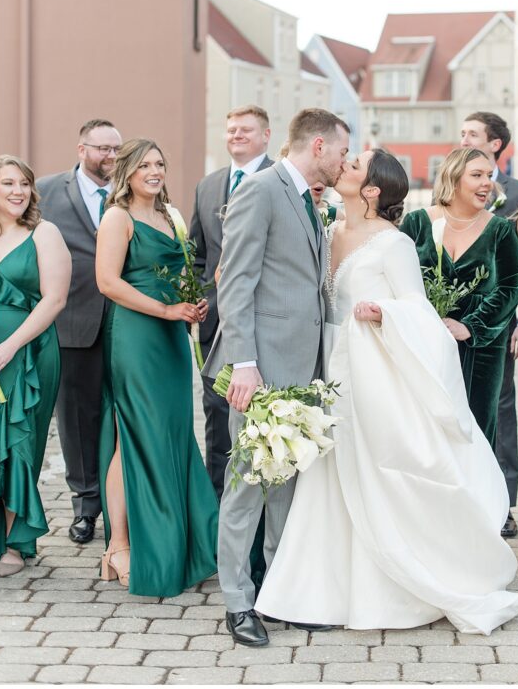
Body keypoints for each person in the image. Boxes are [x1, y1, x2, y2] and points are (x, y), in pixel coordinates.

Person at [256, 148, 518, 633]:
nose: (344, 165)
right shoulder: (327, 229)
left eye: (354, 164)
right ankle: (319, 589)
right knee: (328, 478)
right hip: (327, 369)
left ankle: (400, 584)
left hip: (372, 373)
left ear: (372, 190)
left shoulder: (393, 244)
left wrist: (386, 313)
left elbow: (420, 313)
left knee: (373, 474)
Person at [203, 108, 350, 648]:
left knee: (285, 486)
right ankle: (238, 604)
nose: (344, 161)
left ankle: (280, 595)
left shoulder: (310, 201)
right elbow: (236, 282)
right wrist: (244, 362)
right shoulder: (260, 191)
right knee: (246, 486)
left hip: (300, 368)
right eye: (340, 152)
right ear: (317, 146)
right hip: (259, 371)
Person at [95, 139, 218, 596]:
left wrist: (190, 305)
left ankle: (178, 540)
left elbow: (182, 274)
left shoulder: (170, 217)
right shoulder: (118, 217)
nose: (154, 170)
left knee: (169, 431)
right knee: (136, 434)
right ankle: (121, 546)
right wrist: (166, 312)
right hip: (137, 337)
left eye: (160, 163)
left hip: (171, 338)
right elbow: (107, 283)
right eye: (144, 164)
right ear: (126, 171)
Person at [401, 148, 518, 448]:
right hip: (425, 346)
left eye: (488, 176)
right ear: (454, 178)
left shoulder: (500, 231)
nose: (487, 183)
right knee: (426, 436)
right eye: (477, 175)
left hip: (481, 351)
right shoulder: (416, 224)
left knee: (476, 434)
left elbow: (510, 286)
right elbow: (399, 280)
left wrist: (470, 326)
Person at [37, 119, 123, 544]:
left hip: (128, 320)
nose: (110, 156)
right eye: (102, 148)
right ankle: (86, 507)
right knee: (76, 419)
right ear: (81, 149)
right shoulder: (46, 192)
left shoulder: (133, 188)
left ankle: (126, 509)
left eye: (115, 149)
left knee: (127, 414)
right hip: (71, 320)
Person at [0, 155, 71, 574]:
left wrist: (8, 346)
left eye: (24, 184)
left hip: (28, 354)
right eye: (7, 183)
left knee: (19, 443)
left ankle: (14, 544)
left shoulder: (44, 233)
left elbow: (54, 299)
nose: (18, 191)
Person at [190, 105, 273, 499]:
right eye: (231, 129)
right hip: (214, 325)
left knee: (262, 415)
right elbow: (199, 254)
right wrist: (202, 297)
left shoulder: (281, 180)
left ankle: (260, 504)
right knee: (216, 415)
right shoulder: (207, 186)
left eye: (246, 129)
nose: (236, 135)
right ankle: (217, 502)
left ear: (266, 136)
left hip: (264, 320)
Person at [460, 112, 518, 538]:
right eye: (463, 133)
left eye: (472, 134)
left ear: (496, 144)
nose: (464, 138)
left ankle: (502, 503)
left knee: (502, 408)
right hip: (454, 313)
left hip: (501, 318)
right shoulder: (451, 186)